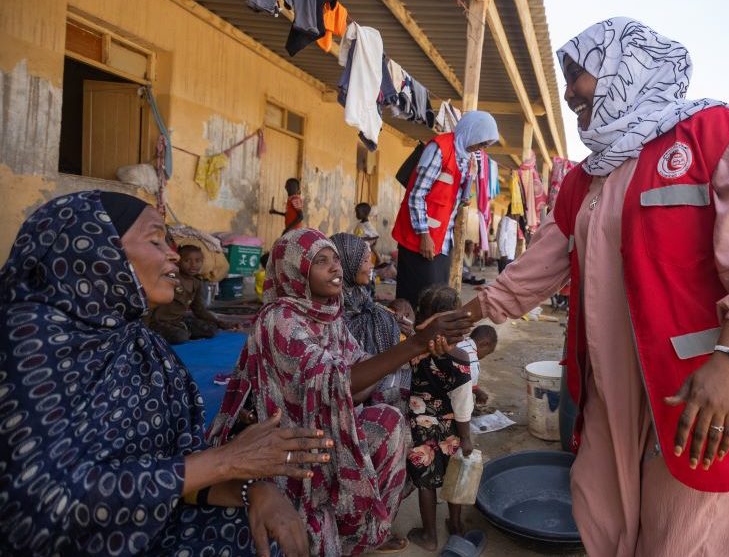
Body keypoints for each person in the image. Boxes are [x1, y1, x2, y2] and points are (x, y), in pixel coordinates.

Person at [462, 17, 729, 555]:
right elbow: (540, 265)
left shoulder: (713, 134)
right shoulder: (586, 178)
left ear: (625, 68)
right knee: (606, 519)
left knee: (688, 537)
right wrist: (470, 311)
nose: (571, 91)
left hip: (704, 391)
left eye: (579, 74)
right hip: (617, 395)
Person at [0, 191, 335, 557]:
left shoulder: (140, 344)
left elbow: (181, 472)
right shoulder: (27, 339)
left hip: (147, 525)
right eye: (156, 240)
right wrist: (227, 460)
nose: (173, 253)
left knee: (266, 529)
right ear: (94, 250)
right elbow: (39, 503)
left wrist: (253, 490)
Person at [209, 229, 472, 556]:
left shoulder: (330, 314)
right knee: (388, 421)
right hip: (290, 439)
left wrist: (368, 375)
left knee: (403, 418)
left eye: (336, 259)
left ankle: (363, 533)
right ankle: (339, 531)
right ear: (295, 270)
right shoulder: (279, 319)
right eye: (321, 261)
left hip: (324, 424)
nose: (335, 268)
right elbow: (342, 381)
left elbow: (356, 369)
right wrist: (413, 346)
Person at [392, 111, 499, 306]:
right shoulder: (439, 148)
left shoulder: (467, 158)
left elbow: (450, 193)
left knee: (435, 300)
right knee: (415, 301)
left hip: (442, 241)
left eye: (485, 145)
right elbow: (417, 195)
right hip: (421, 241)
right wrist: (424, 235)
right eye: (481, 142)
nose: (481, 148)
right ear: (471, 131)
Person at [405, 286, 476, 552]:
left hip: (420, 427)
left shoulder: (410, 347)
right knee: (454, 477)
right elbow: (462, 402)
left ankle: (429, 535)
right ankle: (456, 525)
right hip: (452, 429)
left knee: (426, 482)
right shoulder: (459, 357)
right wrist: (466, 437)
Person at [330, 232, 410, 414]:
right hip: (354, 381)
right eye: (366, 261)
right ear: (349, 262)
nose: (371, 265)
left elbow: (371, 307)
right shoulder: (332, 301)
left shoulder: (357, 292)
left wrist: (394, 318)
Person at [149, 244, 231, 343]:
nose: (193, 265)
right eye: (187, 261)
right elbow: (151, 303)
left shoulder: (196, 283)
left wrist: (219, 322)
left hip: (179, 320)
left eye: (198, 261)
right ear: (178, 261)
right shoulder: (171, 278)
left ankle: (184, 330)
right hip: (159, 321)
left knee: (211, 329)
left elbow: (199, 309)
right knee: (180, 337)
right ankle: (169, 332)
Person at [455, 324, 497, 406]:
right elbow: (466, 387)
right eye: (487, 353)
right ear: (485, 344)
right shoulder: (473, 361)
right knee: (467, 403)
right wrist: (478, 393)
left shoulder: (459, 342)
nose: (484, 356)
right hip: (446, 391)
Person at [495, 207, 517, 274]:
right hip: (505, 256)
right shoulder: (506, 221)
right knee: (503, 279)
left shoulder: (511, 222)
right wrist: (503, 253)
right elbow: (502, 238)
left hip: (509, 256)